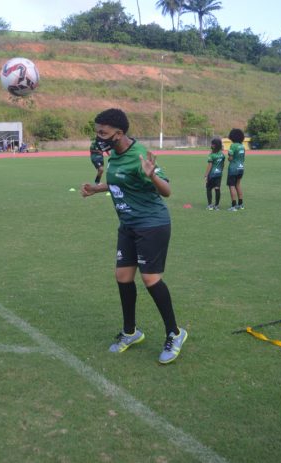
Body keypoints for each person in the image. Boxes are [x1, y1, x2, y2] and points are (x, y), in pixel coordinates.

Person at [80, 108, 187, 365]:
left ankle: (175, 333)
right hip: (127, 224)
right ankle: (131, 332)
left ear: (119, 132)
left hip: (152, 224)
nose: (99, 137)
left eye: (103, 133)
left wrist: (152, 175)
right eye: (97, 132)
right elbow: (122, 181)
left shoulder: (139, 156)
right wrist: (98, 188)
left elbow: (167, 191)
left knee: (150, 279)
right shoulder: (114, 156)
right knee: (123, 277)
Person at [226, 128, 246, 211]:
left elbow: (230, 158)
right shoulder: (242, 146)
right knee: (238, 185)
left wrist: (229, 159)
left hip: (233, 168)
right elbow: (243, 158)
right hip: (241, 168)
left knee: (231, 186)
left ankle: (233, 206)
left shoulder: (233, 145)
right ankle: (240, 204)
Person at [203, 136, 225, 210]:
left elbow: (210, 165)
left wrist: (206, 175)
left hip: (212, 175)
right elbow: (223, 165)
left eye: (212, 144)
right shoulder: (222, 154)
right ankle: (216, 205)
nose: (211, 145)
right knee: (217, 188)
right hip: (219, 174)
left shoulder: (211, 155)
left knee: (208, 188)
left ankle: (210, 205)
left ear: (215, 145)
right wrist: (221, 171)